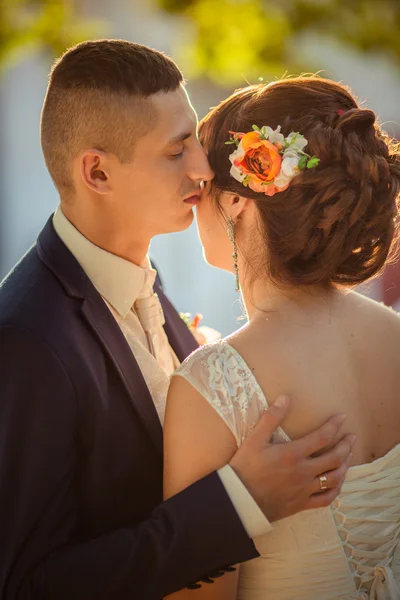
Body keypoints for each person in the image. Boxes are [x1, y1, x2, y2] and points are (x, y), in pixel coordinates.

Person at [0, 42, 353, 600]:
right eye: (175, 151)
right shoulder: (25, 341)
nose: (203, 167)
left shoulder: (142, 275)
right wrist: (240, 502)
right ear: (97, 172)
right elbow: (28, 585)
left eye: (193, 137)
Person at [164, 76, 400, 599]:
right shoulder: (395, 336)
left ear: (240, 201)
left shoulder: (214, 385)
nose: (191, 202)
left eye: (203, 188)